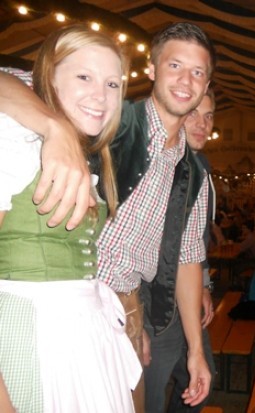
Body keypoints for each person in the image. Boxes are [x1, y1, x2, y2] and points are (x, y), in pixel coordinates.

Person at [0, 22, 216, 411]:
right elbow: (6, 78)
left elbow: (187, 257)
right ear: (151, 69)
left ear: (207, 84)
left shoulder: (192, 169)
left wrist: (195, 350)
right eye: (175, 66)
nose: (186, 80)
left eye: (198, 72)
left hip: (120, 306)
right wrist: (54, 128)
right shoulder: (105, 118)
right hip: (53, 304)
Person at [0, 24, 141, 412]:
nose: (101, 95)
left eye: (112, 84)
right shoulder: (13, 133)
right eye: (84, 77)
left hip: (83, 334)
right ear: (47, 78)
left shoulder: (87, 153)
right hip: (32, 332)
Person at [144, 90, 217, 413]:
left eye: (209, 116)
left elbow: (193, 239)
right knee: (149, 396)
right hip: (151, 300)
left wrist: (203, 284)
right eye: (193, 114)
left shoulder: (199, 166)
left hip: (182, 293)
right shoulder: (153, 160)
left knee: (200, 381)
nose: (202, 124)